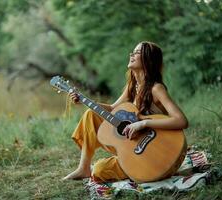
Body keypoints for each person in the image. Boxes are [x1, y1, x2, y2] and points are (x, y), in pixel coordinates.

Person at [63, 41, 189, 183]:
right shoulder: (132, 87)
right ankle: (84, 168)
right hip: (133, 146)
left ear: (148, 59)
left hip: (156, 153)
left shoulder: (156, 89)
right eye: (132, 51)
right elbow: (112, 109)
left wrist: (143, 123)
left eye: (137, 52)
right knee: (90, 115)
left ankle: (134, 166)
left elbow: (181, 120)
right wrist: (84, 100)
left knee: (99, 170)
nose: (131, 54)